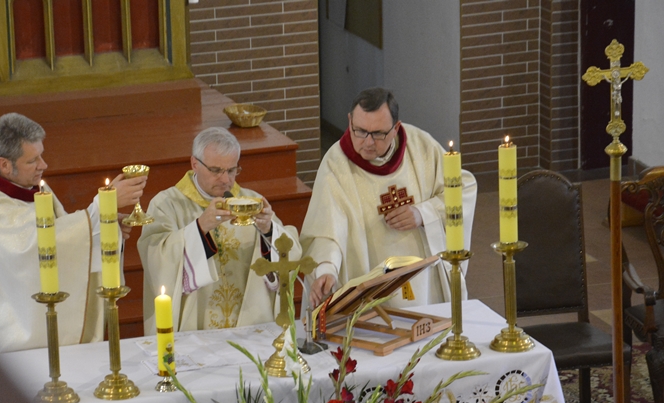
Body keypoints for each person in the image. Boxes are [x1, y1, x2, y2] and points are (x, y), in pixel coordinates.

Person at [0, 113, 146, 352]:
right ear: (5, 164)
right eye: (33, 160)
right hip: (8, 348)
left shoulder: (28, 188)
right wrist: (102, 206)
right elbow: (33, 250)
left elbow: (63, 235)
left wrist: (104, 226)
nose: (43, 165)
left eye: (41, 156)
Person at [300, 87, 477, 309]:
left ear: (396, 128)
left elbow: (463, 187)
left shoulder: (421, 146)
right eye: (360, 131)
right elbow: (326, 230)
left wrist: (422, 213)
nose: (368, 142)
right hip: (369, 278)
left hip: (422, 277)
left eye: (378, 134)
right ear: (349, 121)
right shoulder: (336, 165)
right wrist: (327, 269)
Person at [137, 127, 301, 333]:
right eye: (216, 170)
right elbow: (155, 258)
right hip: (195, 328)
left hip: (247, 325)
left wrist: (268, 230)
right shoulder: (167, 204)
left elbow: (290, 255)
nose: (225, 180)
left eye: (232, 170)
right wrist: (200, 227)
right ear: (194, 164)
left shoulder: (249, 202)